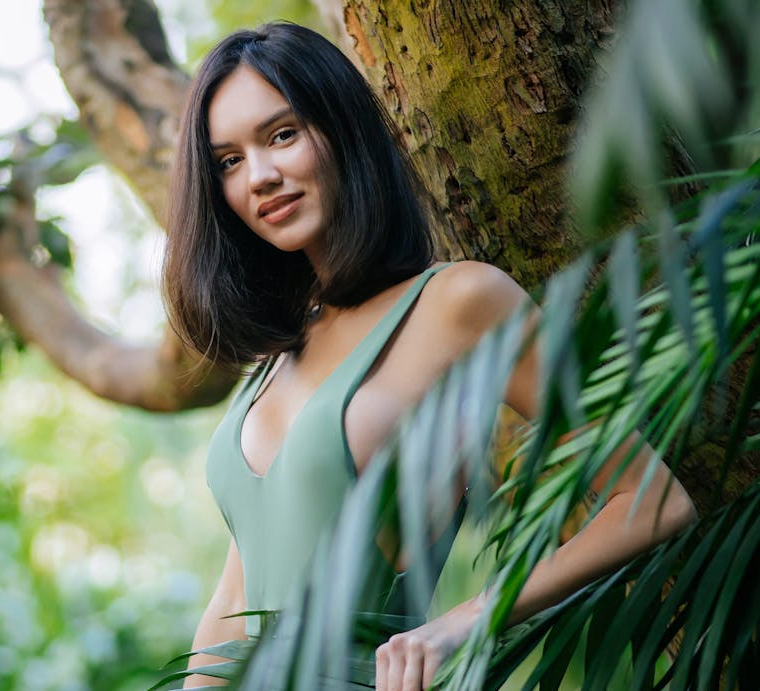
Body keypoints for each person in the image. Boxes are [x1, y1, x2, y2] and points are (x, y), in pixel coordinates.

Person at [161, 22, 696, 691]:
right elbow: (229, 610)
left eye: (282, 134)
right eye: (229, 161)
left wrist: (468, 618)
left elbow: (652, 502)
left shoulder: (458, 303)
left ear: (342, 131)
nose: (260, 176)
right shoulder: (276, 356)